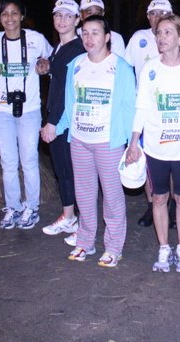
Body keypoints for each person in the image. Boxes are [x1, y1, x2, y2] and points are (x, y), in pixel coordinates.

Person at [46, 15, 136, 267]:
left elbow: (129, 107)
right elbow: (70, 103)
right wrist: (57, 127)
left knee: (112, 196)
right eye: (84, 32)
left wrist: (132, 142)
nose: (89, 38)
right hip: (80, 140)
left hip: (108, 142)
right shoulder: (76, 64)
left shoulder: (120, 67)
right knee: (84, 194)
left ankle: (114, 247)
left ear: (107, 37)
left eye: (95, 32)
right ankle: (85, 242)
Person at [126, 14, 180, 272]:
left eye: (167, 32)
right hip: (156, 147)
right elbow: (142, 106)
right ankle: (164, 248)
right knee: (159, 197)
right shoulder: (150, 68)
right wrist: (133, 142)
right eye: (158, 33)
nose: (160, 37)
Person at [0, 0, 51, 230]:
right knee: (8, 161)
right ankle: (12, 207)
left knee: (29, 160)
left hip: (29, 108)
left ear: (22, 16)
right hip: (0, 109)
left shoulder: (35, 39)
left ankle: (32, 207)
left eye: (14, 13)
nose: (9, 18)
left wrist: (44, 65)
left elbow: (48, 59)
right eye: (4, 14)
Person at [124, 0, 175, 229]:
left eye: (163, 13)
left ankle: (171, 205)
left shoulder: (177, 37)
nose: (158, 17)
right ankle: (152, 203)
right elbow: (126, 70)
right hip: (144, 109)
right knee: (145, 159)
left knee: (171, 158)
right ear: (147, 17)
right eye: (153, 13)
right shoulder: (138, 38)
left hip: (170, 109)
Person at [38, 0, 84, 236]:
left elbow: (68, 91)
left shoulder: (76, 49)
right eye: (58, 15)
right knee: (63, 169)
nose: (62, 20)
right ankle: (69, 216)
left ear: (77, 20)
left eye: (68, 16)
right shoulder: (59, 47)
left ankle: (77, 220)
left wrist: (53, 122)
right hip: (57, 115)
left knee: (69, 170)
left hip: (66, 119)